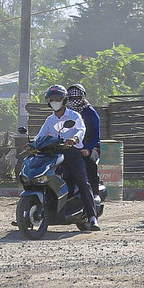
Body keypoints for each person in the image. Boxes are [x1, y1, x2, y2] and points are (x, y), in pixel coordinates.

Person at [35, 84, 99, 231]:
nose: (54, 101)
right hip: (54, 154)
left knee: (82, 180)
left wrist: (75, 139)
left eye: (57, 98)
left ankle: (92, 217)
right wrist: (32, 144)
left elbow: (81, 129)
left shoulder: (74, 116)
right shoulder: (50, 120)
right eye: (51, 99)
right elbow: (41, 135)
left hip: (72, 153)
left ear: (64, 100)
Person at [67, 84, 102, 199]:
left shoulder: (90, 113)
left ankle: (95, 193)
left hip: (90, 146)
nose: (75, 101)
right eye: (72, 98)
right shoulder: (67, 113)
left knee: (90, 162)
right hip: (71, 146)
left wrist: (88, 148)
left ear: (83, 97)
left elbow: (96, 135)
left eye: (77, 98)